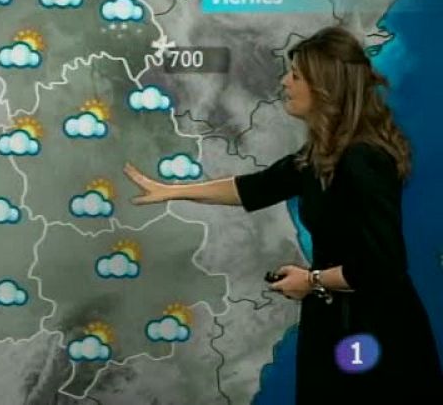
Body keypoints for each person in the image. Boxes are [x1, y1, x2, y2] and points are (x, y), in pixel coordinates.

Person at [123, 26, 443, 404]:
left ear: (325, 87)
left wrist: (312, 280)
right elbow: (255, 187)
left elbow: (383, 265)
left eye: (296, 76)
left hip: (374, 333)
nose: (284, 82)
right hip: (337, 320)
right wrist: (172, 191)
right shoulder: (320, 156)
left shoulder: (361, 159)